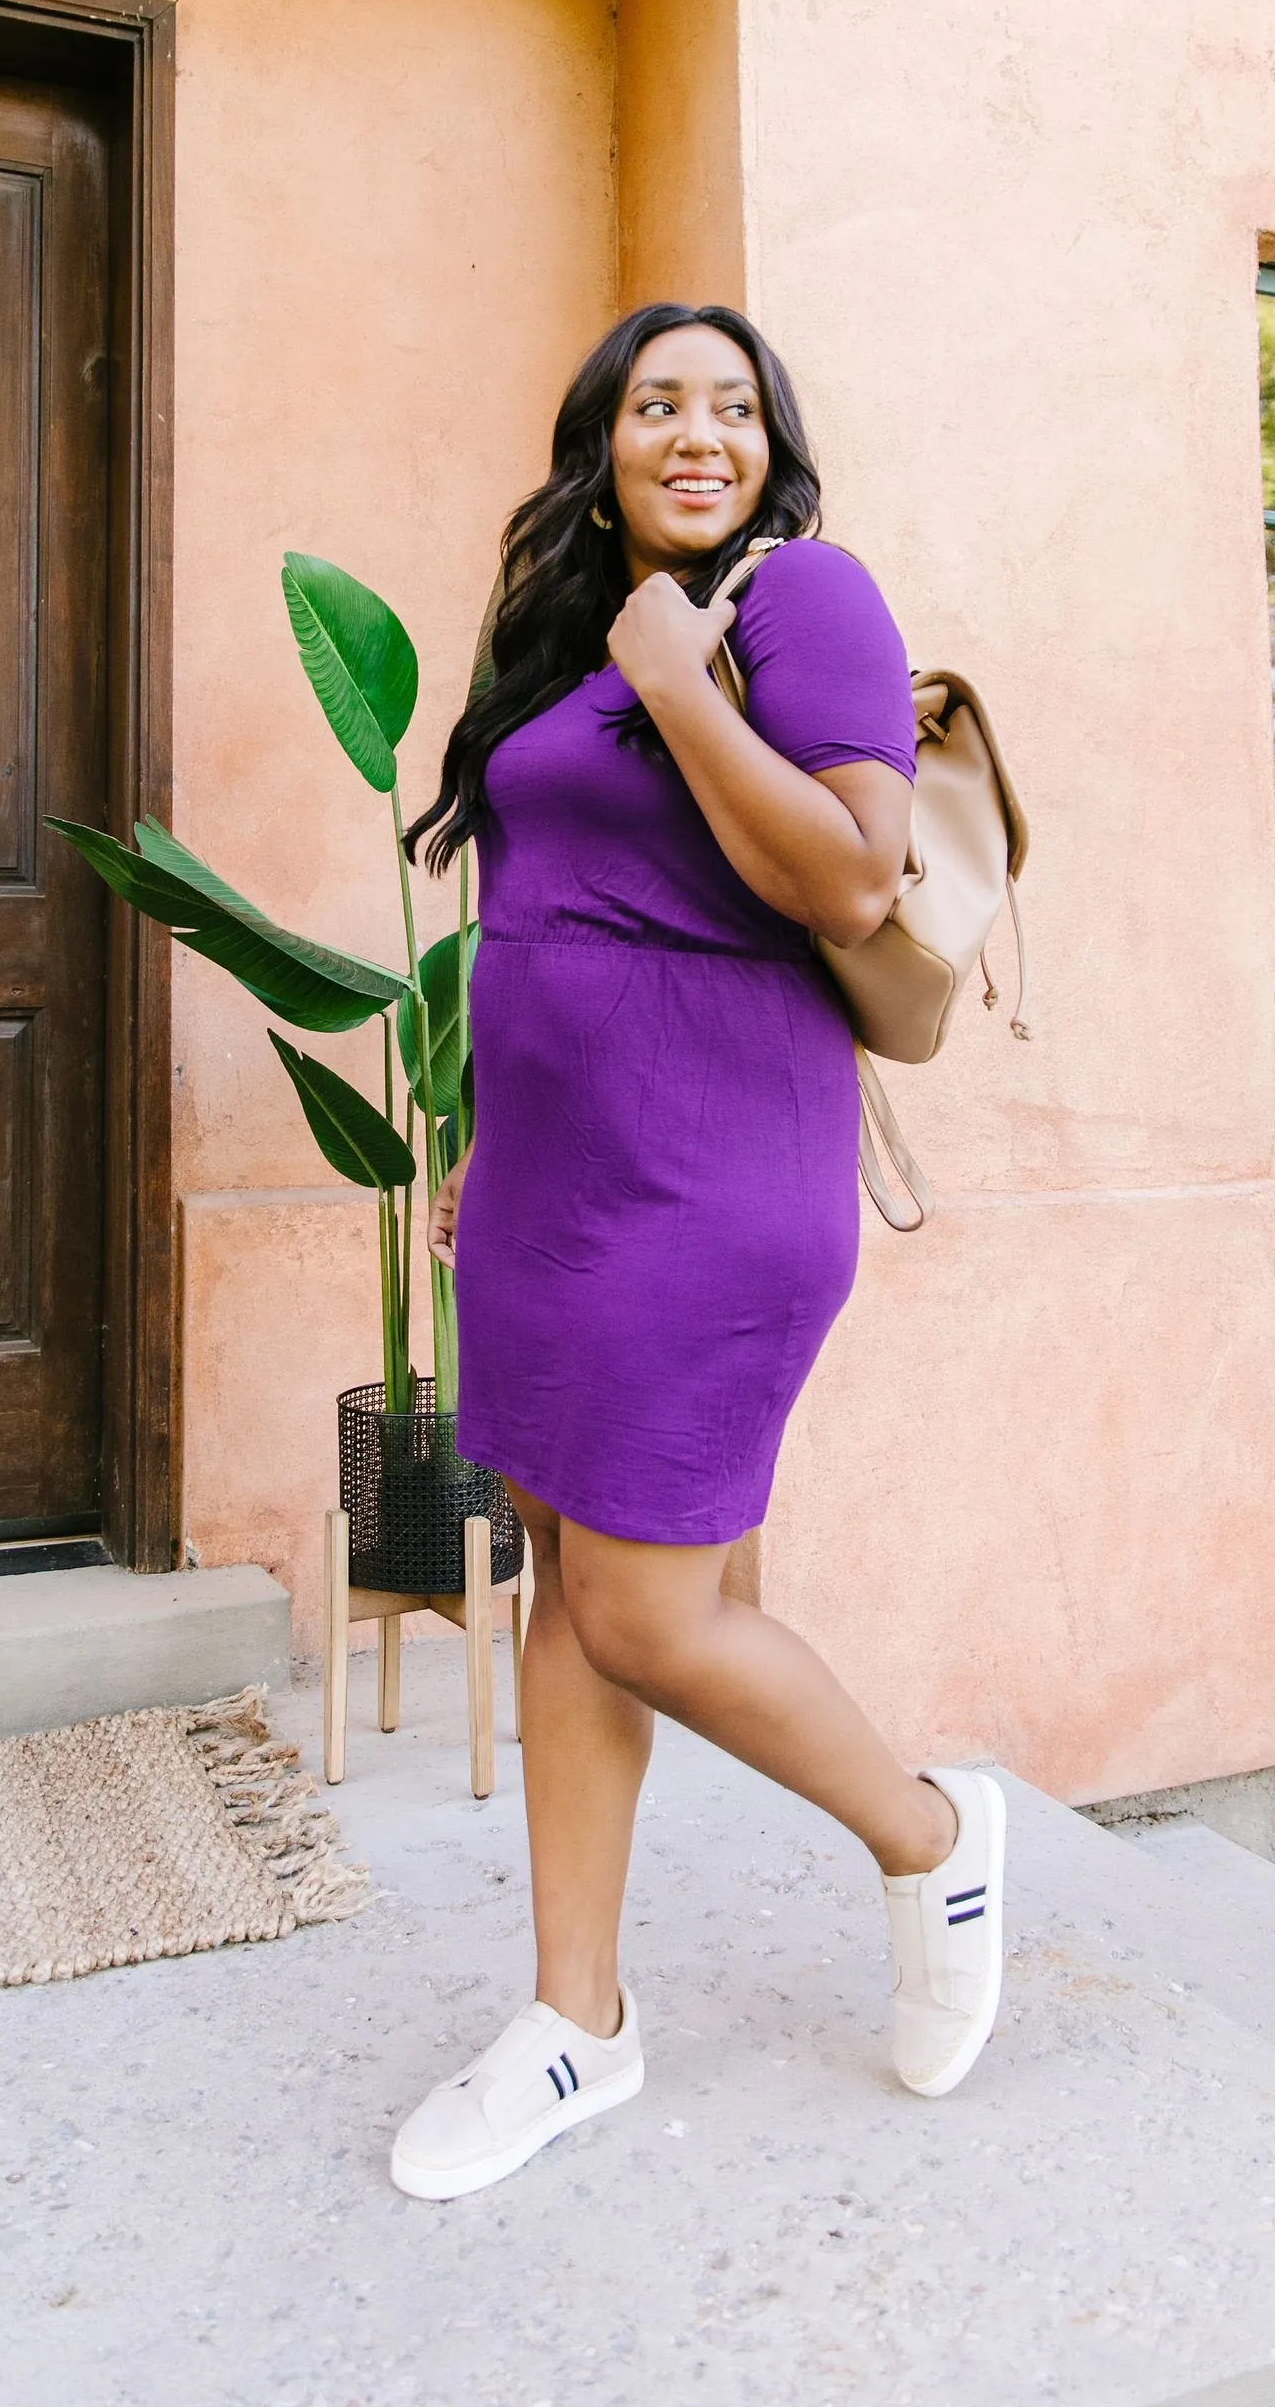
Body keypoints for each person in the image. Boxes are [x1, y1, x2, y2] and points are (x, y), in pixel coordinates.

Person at [391, 303, 1005, 2202]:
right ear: (602, 438)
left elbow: (848, 871)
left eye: (733, 406)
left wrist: (681, 685)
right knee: (569, 1587)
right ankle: (579, 2021)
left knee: (651, 1612)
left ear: (772, 444)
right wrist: (476, 1142)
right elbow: (542, 901)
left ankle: (931, 1837)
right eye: (658, 401)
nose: (696, 431)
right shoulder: (567, 636)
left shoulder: (799, 603)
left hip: (716, 1175)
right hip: (552, 1186)